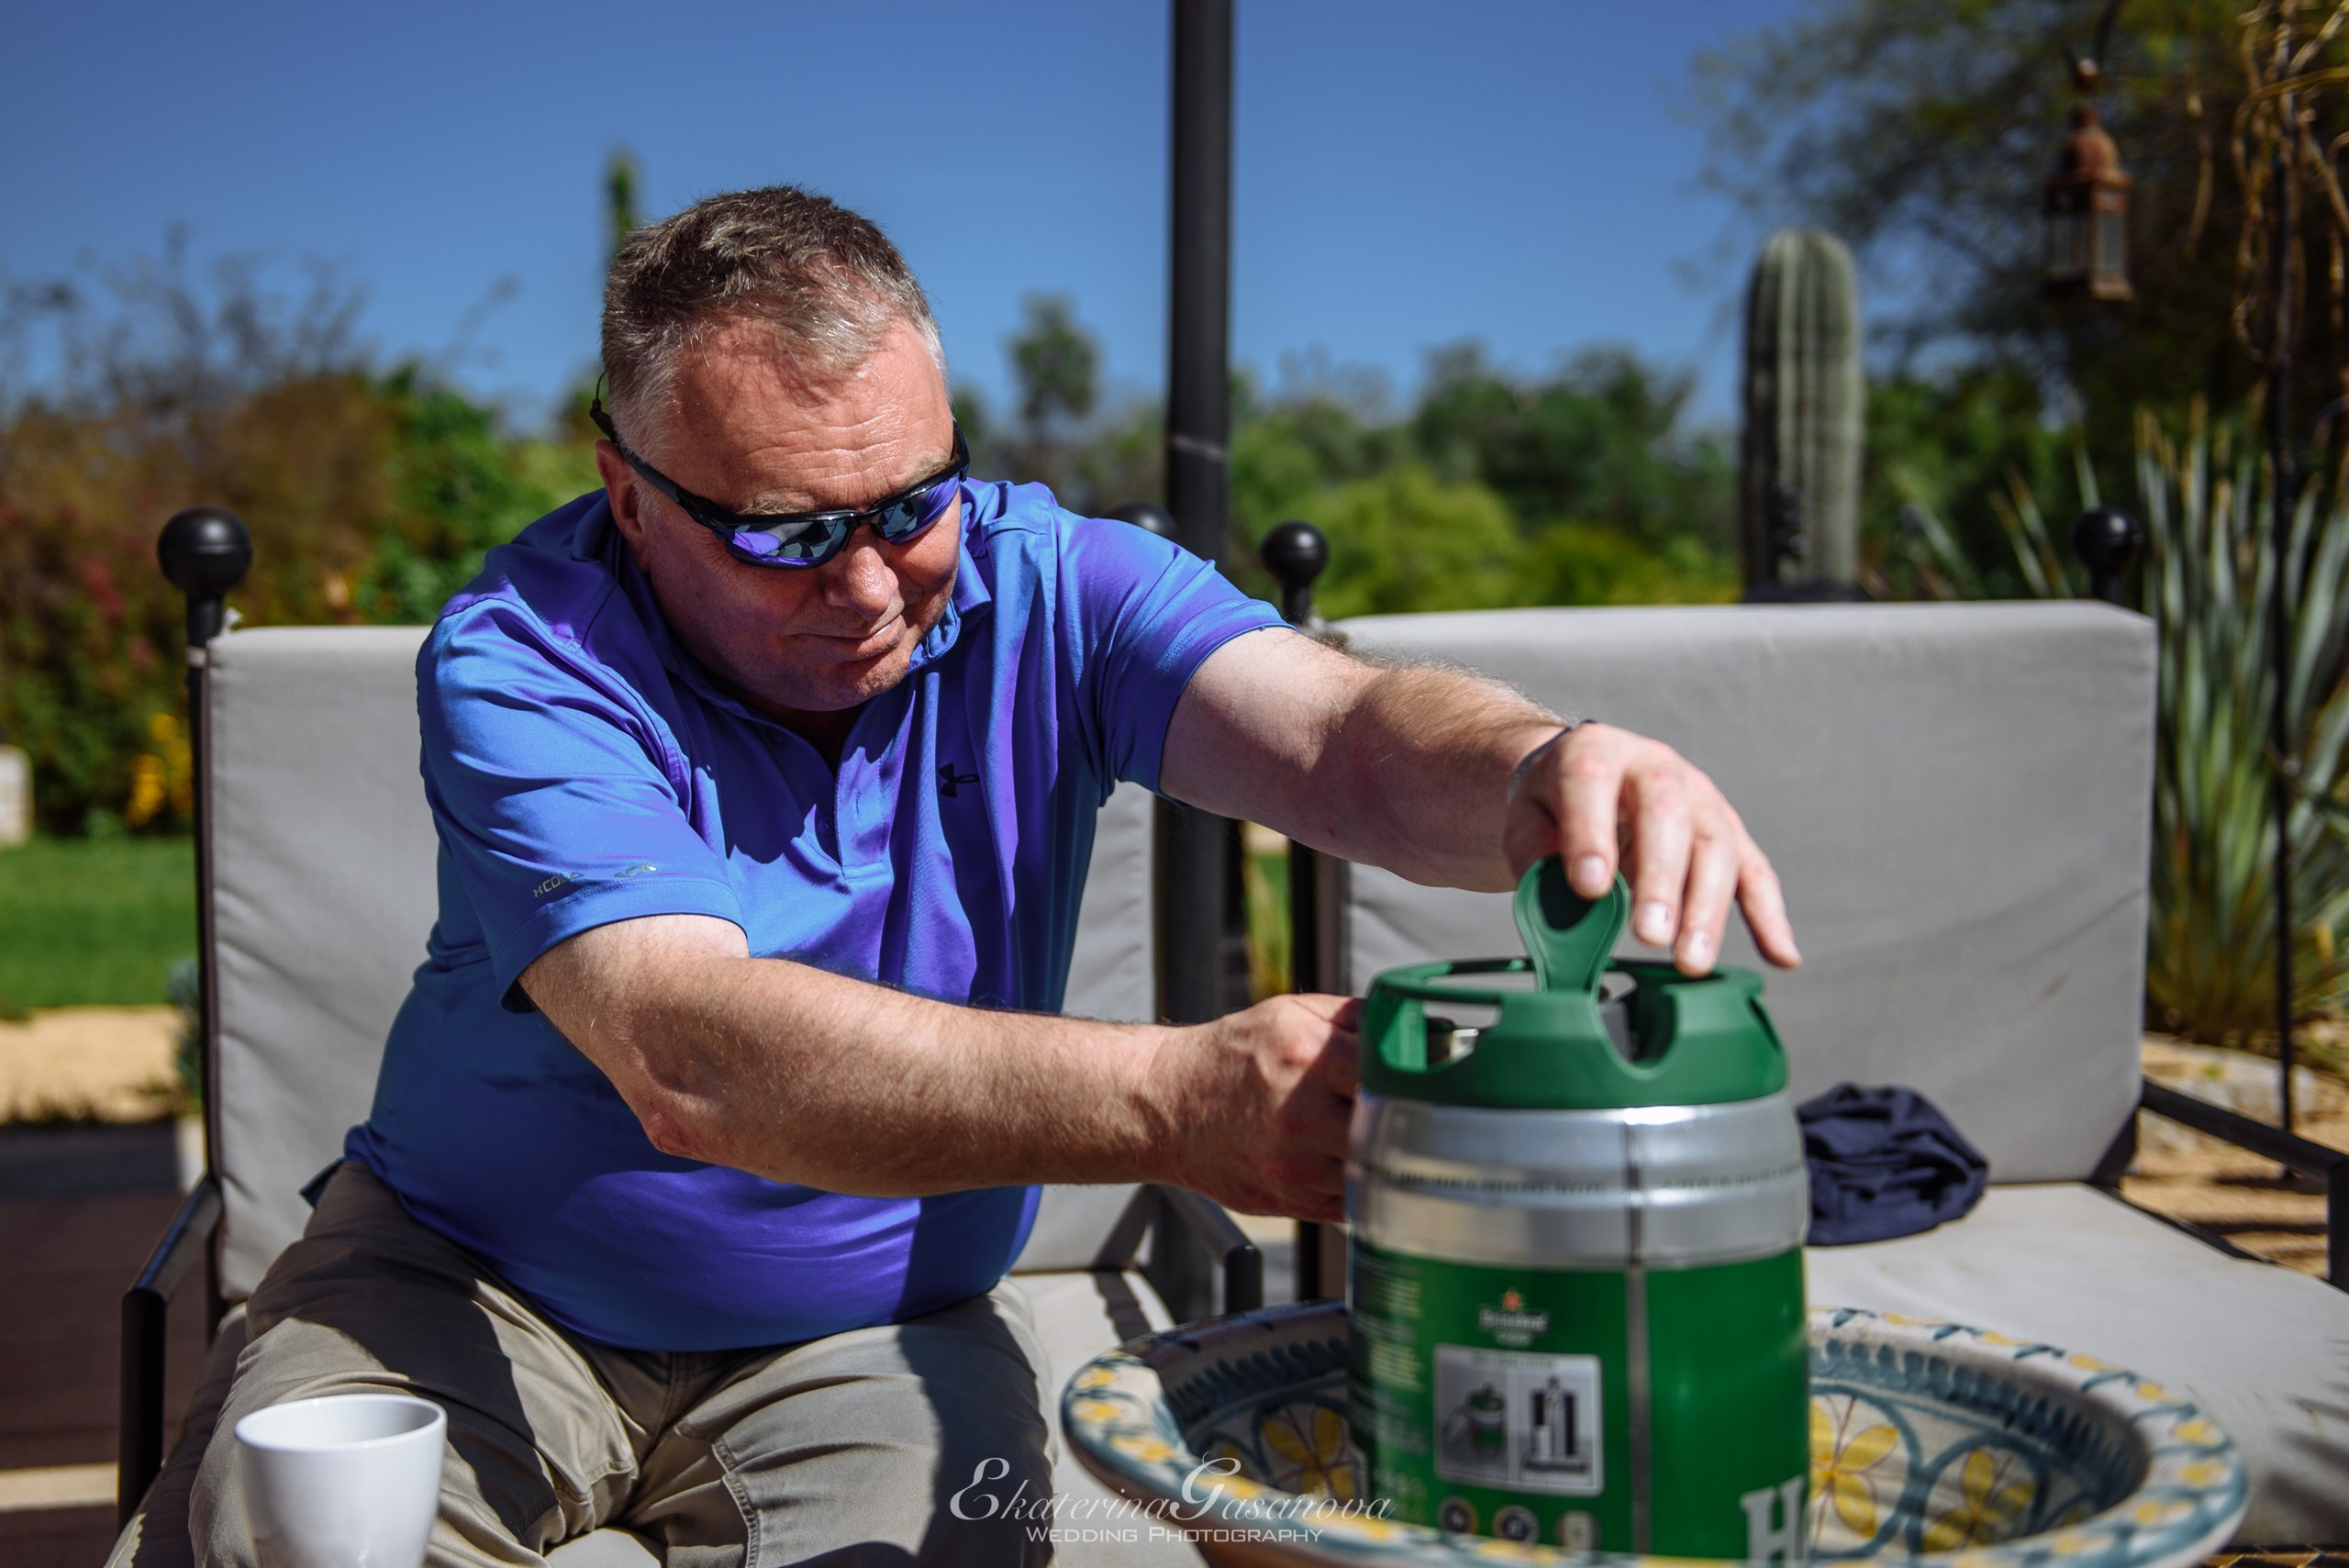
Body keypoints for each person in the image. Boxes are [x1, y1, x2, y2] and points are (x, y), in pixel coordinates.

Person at [172, 186, 1799, 1567]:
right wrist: (1180, 1102)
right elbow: (689, 1054)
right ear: (627, 491)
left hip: (865, 1335)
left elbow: (1348, 736)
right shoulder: (527, 656)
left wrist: (1540, 765)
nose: (873, 584)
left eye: (911, 501)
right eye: (790, 532)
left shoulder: (1052, 588)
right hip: (468, 1281)